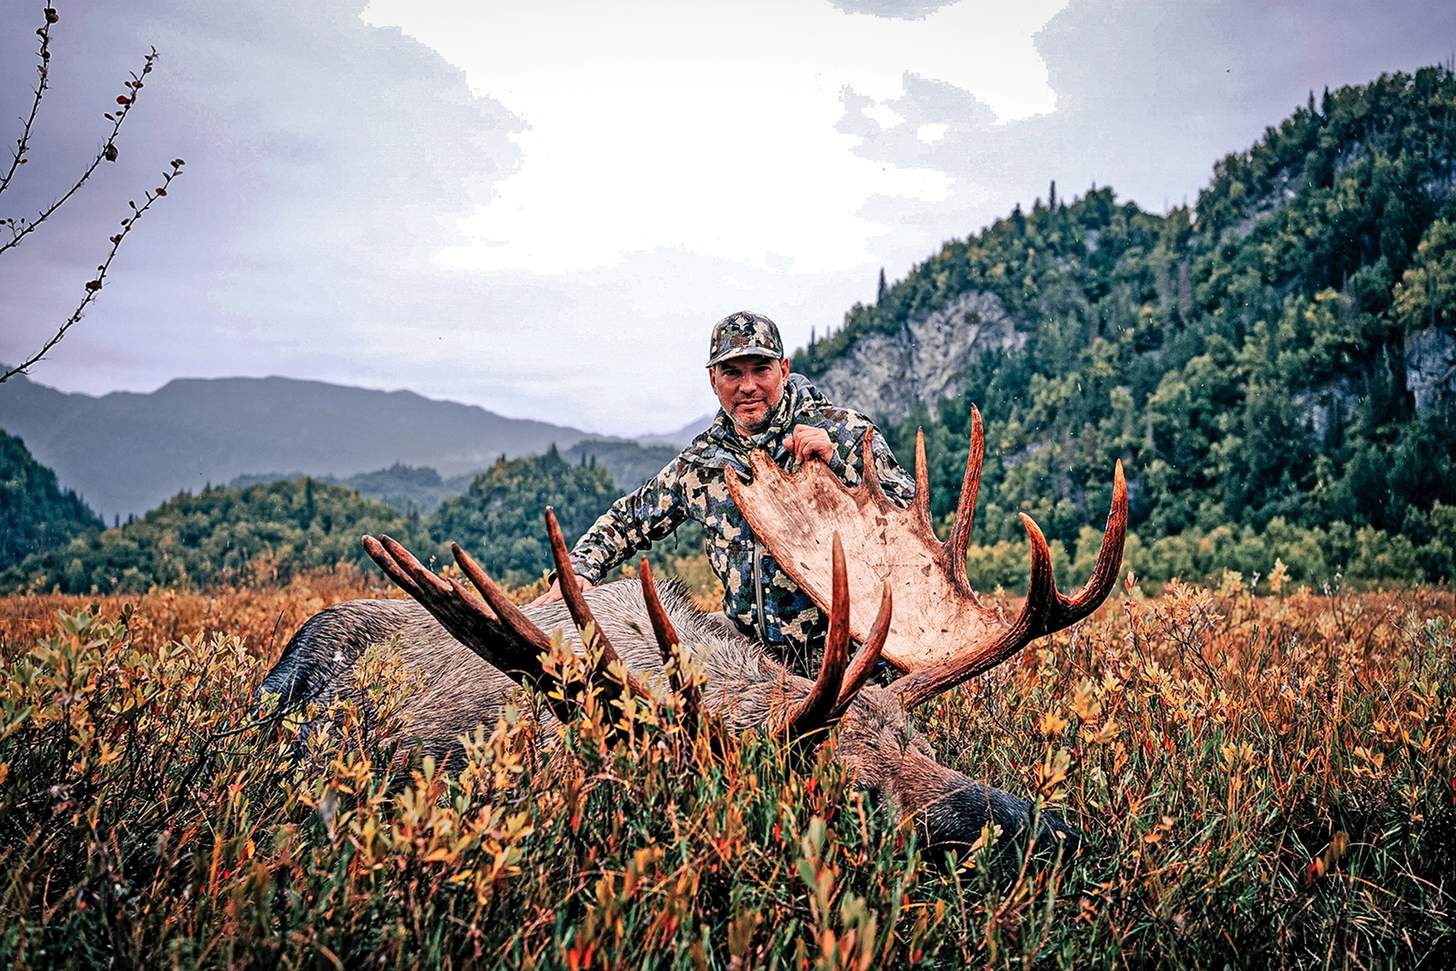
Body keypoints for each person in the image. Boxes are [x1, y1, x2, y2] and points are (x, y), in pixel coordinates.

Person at [533, 310, 914, 674]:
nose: (747, 386)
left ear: (783, 369)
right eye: (732, 373)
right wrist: (579, 570)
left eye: (760, 369)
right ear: (713, 380)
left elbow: (909, 517)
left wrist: (839, 469)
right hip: (752, 662)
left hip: (849, 655)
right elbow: (628, 518)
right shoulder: (703, 463)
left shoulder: (844, 433)